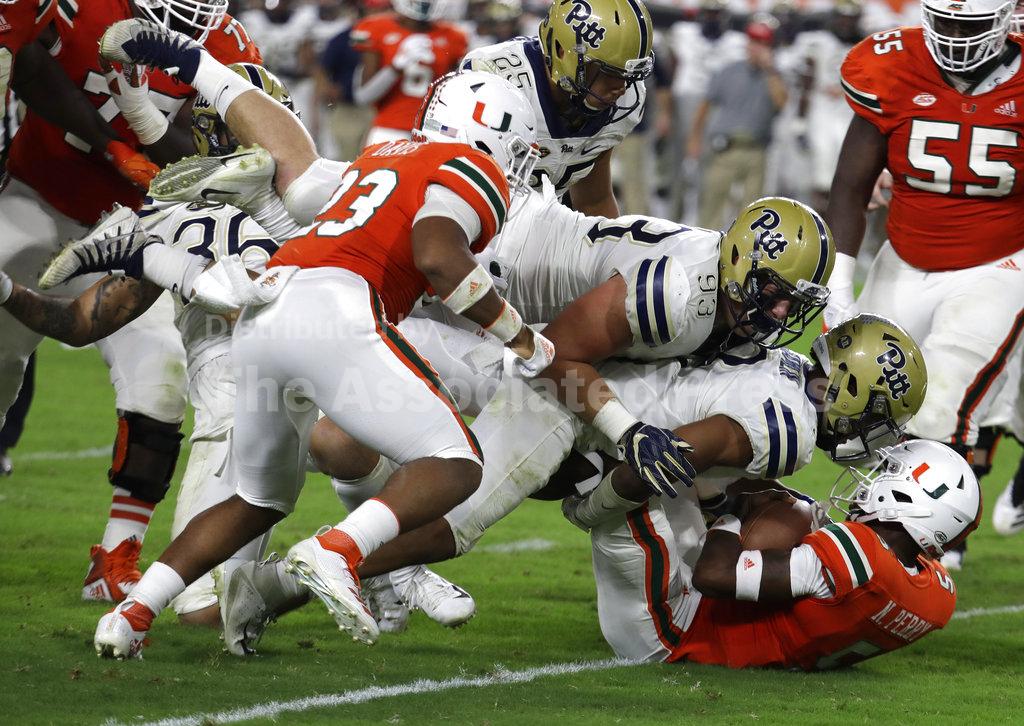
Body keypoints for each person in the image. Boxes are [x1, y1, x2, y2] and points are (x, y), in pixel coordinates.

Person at [89, 18, 551, 659]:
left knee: (257, 499)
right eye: (520, 146)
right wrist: (520, 336)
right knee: (456, 462)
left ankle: (133, 613)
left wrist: (199, 68)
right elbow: (439, 256)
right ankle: (338, 551)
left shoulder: (375, 160)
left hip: (264, 314)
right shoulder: (470, 167)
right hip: (334, 310)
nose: (523, 161)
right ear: (492, 133)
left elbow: (296, 166)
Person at [0, 0, 263, 604]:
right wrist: (105, 142)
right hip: (34, 197)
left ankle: (117, 555)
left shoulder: (227, 43)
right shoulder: (87, 7)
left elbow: (216, 157)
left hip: (134, 228)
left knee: (161, 376)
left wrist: (144, 127)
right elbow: (27, 62)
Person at [825, 0, 1024, 569]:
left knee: (939, 404)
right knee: (857, 410)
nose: (956, 36)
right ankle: (875, 529)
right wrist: (838, 289)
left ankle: (933, 546)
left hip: (997, 264)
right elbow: (850, 185)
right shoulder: (892, 65)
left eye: (970, 24)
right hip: (905, 258)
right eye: (946, 21)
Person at [586, 439, 979, 668]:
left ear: (915, 501)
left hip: (671, 629)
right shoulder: (936, 595)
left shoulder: (859, 554)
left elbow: (714, 575)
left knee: (626, 470)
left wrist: (735, 515)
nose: (871, 480)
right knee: (687, 460)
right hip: (719, 626)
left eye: (889, 474)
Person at [462, 0, 655, 217]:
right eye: (610, 73)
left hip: (541, 226)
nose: (621, 88)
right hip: (475, 220)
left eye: (627, 75)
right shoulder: (500, 81)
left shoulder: (622, 99)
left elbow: (594, 202)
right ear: (562, 52)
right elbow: (455, 193)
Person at [689, 18, 789, 231]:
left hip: (756, 150)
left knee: (752, 214)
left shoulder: (775, 76)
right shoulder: (729, 71)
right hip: (726, 148)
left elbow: (781, 104)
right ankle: (708, 247)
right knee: (712, 207)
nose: (756, 48)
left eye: (762, 43)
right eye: (753, 41)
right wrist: (695, 140)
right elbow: (704, 107)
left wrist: (770, 70)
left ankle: (744, 250)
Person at [351, 0, 468, 146]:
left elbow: (458, 93)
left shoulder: (454, 36)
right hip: (392, 125)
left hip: (437, 127)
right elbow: (363, 97)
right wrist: (396, 67)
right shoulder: (377, 28)